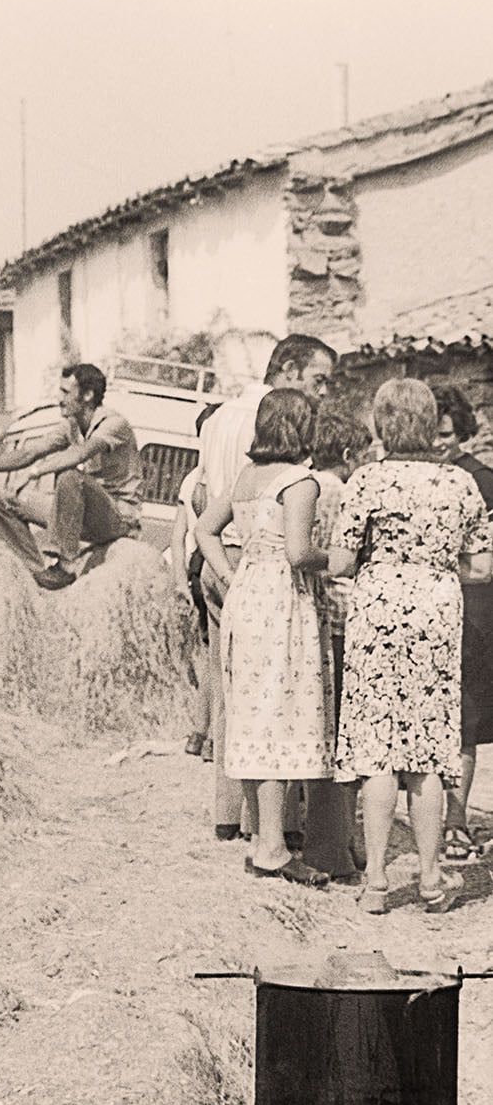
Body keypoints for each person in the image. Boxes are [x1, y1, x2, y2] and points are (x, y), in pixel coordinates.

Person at [329, 378, 493, 914]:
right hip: (437, 609)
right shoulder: (459, 484)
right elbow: (483, 566)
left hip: (377, 606)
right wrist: (438, 564)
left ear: (381, 425)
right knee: (425, 750)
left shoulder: (366, 480)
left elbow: (340, 562)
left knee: (377, 747)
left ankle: (376, 883)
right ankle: (428, 878)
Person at [196, 333, 337, 841]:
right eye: (318, 381)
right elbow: (299, 545)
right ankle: (278, 830)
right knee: (282, 698)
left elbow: (197, 496)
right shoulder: (290, 458)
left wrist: (227, 573)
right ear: (292, 371)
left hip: (237, 569)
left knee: (235, 694)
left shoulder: (219, 418)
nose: (322, 395)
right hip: (271, 569)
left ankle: (231, 815)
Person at [0, 363, 142, 589]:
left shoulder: (114, 423)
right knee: (2, 499)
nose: (59, 398)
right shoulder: (71, 426)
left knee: (71, 476)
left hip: (117, 517)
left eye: (66, 392)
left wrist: (34, 473)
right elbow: (30, 452)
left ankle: (65, 566)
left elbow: (80, 454)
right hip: (82, 517)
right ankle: (31, 573)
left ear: (87, 395)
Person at [300, 409, 373, 881]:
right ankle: (334, 844)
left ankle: (324, 835)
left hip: (309, 617)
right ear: (348, 455)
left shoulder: (302, 486)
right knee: (344, 739)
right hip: (345, 619)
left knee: (318, 729)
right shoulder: (345, 493)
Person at [431, 381, 493, 860]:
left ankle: (456, 818)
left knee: (463, 719)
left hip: (472, 608)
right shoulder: (416, 477)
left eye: (447, 434)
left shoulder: (484, 481)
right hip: (425, 609)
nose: (438, 443)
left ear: (464, 432)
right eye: (431, 432)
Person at [170, 405, 221, 759]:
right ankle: (212, 737)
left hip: (192, 567)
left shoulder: (191, 479)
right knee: (220, 657)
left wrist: (178, 582)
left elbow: (177, 536)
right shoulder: (222, 477)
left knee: (207, 656)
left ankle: (197, 734)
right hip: (213, 560)